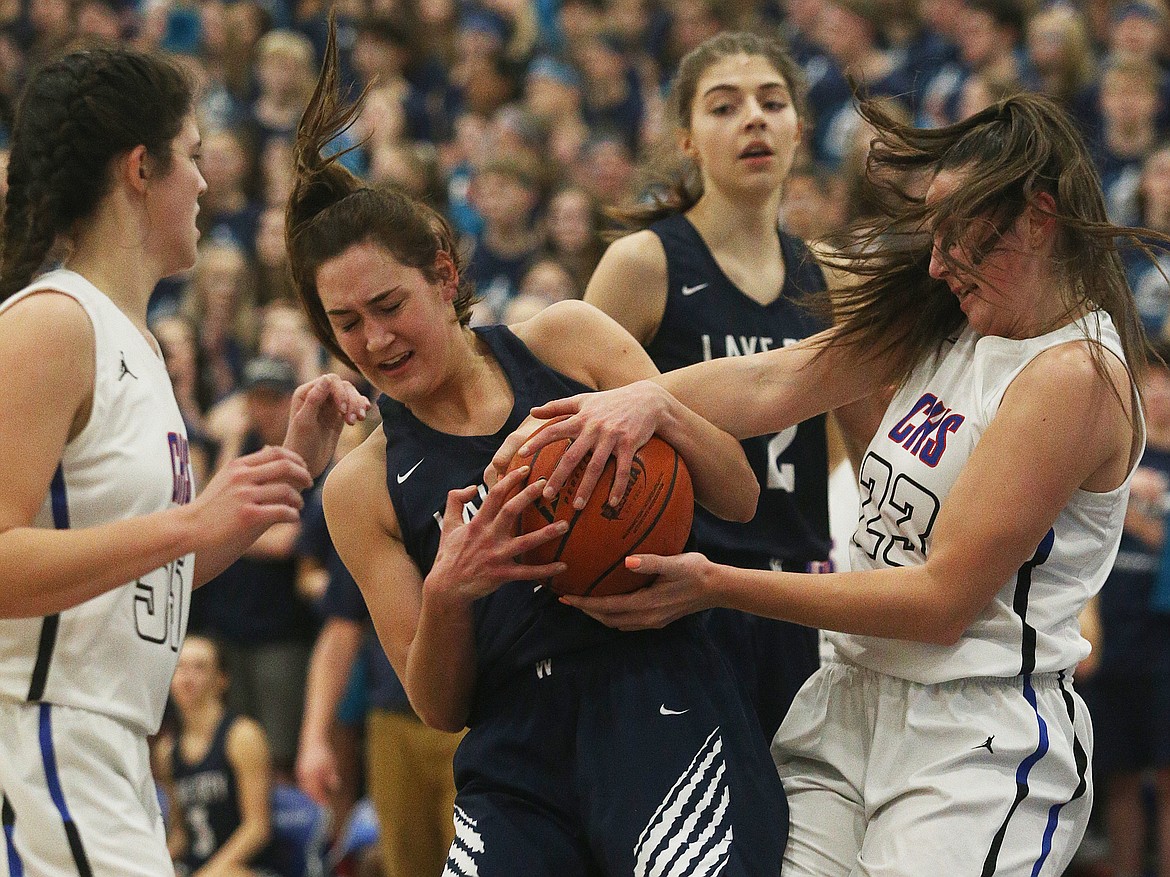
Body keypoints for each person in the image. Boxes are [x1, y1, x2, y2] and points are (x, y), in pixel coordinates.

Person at [509, 91, 1168, 874]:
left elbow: (938, 603)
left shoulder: (1074, 374)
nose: (935, 259)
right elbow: (773, 381)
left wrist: (715, 581)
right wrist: (618, 405)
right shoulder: (952, 316)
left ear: (1037, 217)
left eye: (956, 231)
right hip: (850, 699)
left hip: (974, 742)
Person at [283, 19, 787, 876]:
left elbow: (737, 493)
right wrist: (448, 591)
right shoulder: (360, 484)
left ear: (444, 274)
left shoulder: (565, 338)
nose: (374, 338)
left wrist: (652, 409)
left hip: (660, 688)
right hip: (516, 749)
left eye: (389, 304)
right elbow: (441, 707)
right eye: (347, 323)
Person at [0, 46, 368, 876]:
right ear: (141, 168)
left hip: (113, 744)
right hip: (40, 729)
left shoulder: (134, 345)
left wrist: (284, 474)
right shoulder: (52, 323)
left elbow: (154, 570)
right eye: (193, 158)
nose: (204, 183)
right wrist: (185, 520)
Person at [582, 30, 847, 743]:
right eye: (724, 107)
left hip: (793, 594)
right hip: (675, 593)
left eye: (771, 102)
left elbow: (857, 444)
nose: (754, 119)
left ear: (800, 126)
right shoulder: (643, 263)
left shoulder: (830, 277)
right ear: (688, 140)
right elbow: (573, 430)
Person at [157, 634, 279, 877]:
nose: (187, 677)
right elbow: (182, 833)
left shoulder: (242, 736)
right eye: (179, 667)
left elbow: (257, 828)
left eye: (199, 667)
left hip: (245, 869)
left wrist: (209, 873)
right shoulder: (166, 750)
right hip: (195, 866)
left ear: (221, 679)